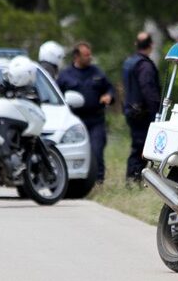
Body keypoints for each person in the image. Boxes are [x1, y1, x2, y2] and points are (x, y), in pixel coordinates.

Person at [57, 42, 115, 183]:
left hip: (95, 120)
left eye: (90, 54)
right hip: (75, 121)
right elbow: (57, 97)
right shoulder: (65, 75)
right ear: (76, 56)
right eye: (86, 55)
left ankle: (98, 181)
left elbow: (109, 88)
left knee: (96, 151)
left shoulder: (97, 72)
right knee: (74, 152)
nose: (90, 57)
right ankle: (73, 181)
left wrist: (108, 96)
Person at [122, 32, 161, 182]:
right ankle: (134, 177)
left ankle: (134, 177)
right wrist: (156, 112)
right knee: (142, 147)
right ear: (151, 45)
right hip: (143, 113)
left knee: (138, 145)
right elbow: (148, 90)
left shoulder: (129, 62)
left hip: (131, 111)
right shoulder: (145, 66)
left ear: (136, 44)